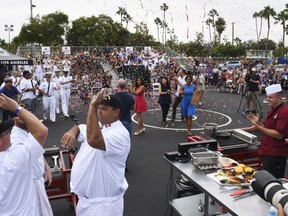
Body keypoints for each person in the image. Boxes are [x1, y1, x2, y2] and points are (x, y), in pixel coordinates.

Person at [61, 90, 130, 216]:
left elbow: (94, 139)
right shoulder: (100, 126)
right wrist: (73, 131)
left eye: (104, 109)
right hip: (87, 202)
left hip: (103, 206)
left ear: (116, 112)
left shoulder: (120, 134)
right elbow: (81, 128)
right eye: (99, 108)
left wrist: (92, 107)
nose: (99, 111)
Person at [0, 94, 48, 215]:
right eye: (6, 132)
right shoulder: (14, 159)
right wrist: (15, 107)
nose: (9, 134)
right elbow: (42, 131)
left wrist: (45, 166)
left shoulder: (12, 155)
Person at [10, 118, 53, 216]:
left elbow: (36, 150)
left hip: (38, 183)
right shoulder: (15, 140)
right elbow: (43, 132)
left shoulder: (26, 133)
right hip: (30, 188)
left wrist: (46, 168)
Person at [245, 84, 288, 178]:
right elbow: (268, 128)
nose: (268, 99)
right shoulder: (272, 110)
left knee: (271, 181)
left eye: (271, 97)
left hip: (276, 154)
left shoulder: (284, 113)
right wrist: (258, 123)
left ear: (280, 98)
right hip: (267, 150)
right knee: (265, 179)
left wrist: (259, 127)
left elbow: (279, 135)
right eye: (267, 97)